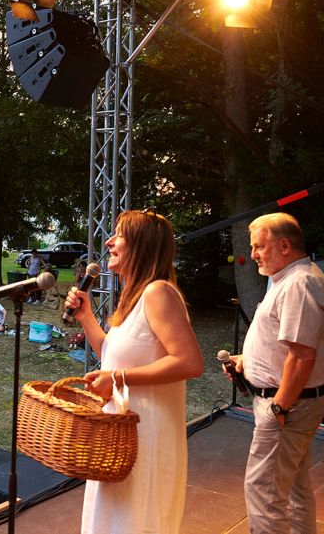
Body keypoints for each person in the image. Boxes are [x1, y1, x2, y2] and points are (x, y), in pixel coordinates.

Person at [64, 208, 203, 534]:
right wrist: (86, 318)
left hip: (147, 439)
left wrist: (118, 379)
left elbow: (189, 362)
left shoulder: (158, 292)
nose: (109, 242)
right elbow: (113, 357)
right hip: (120, 438)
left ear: (140, 245)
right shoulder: (135, 296)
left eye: (119, 235)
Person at [222, 212, 324, 534]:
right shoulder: (290, 278)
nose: (252, 254)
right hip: (291, 404)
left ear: (283, 245)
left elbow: (302, 355)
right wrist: (248, 360)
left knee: (264, 493)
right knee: (294, 490)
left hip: (286, 407)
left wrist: (280, 405)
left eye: (258, 246)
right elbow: (291, 345)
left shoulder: (300, 282)